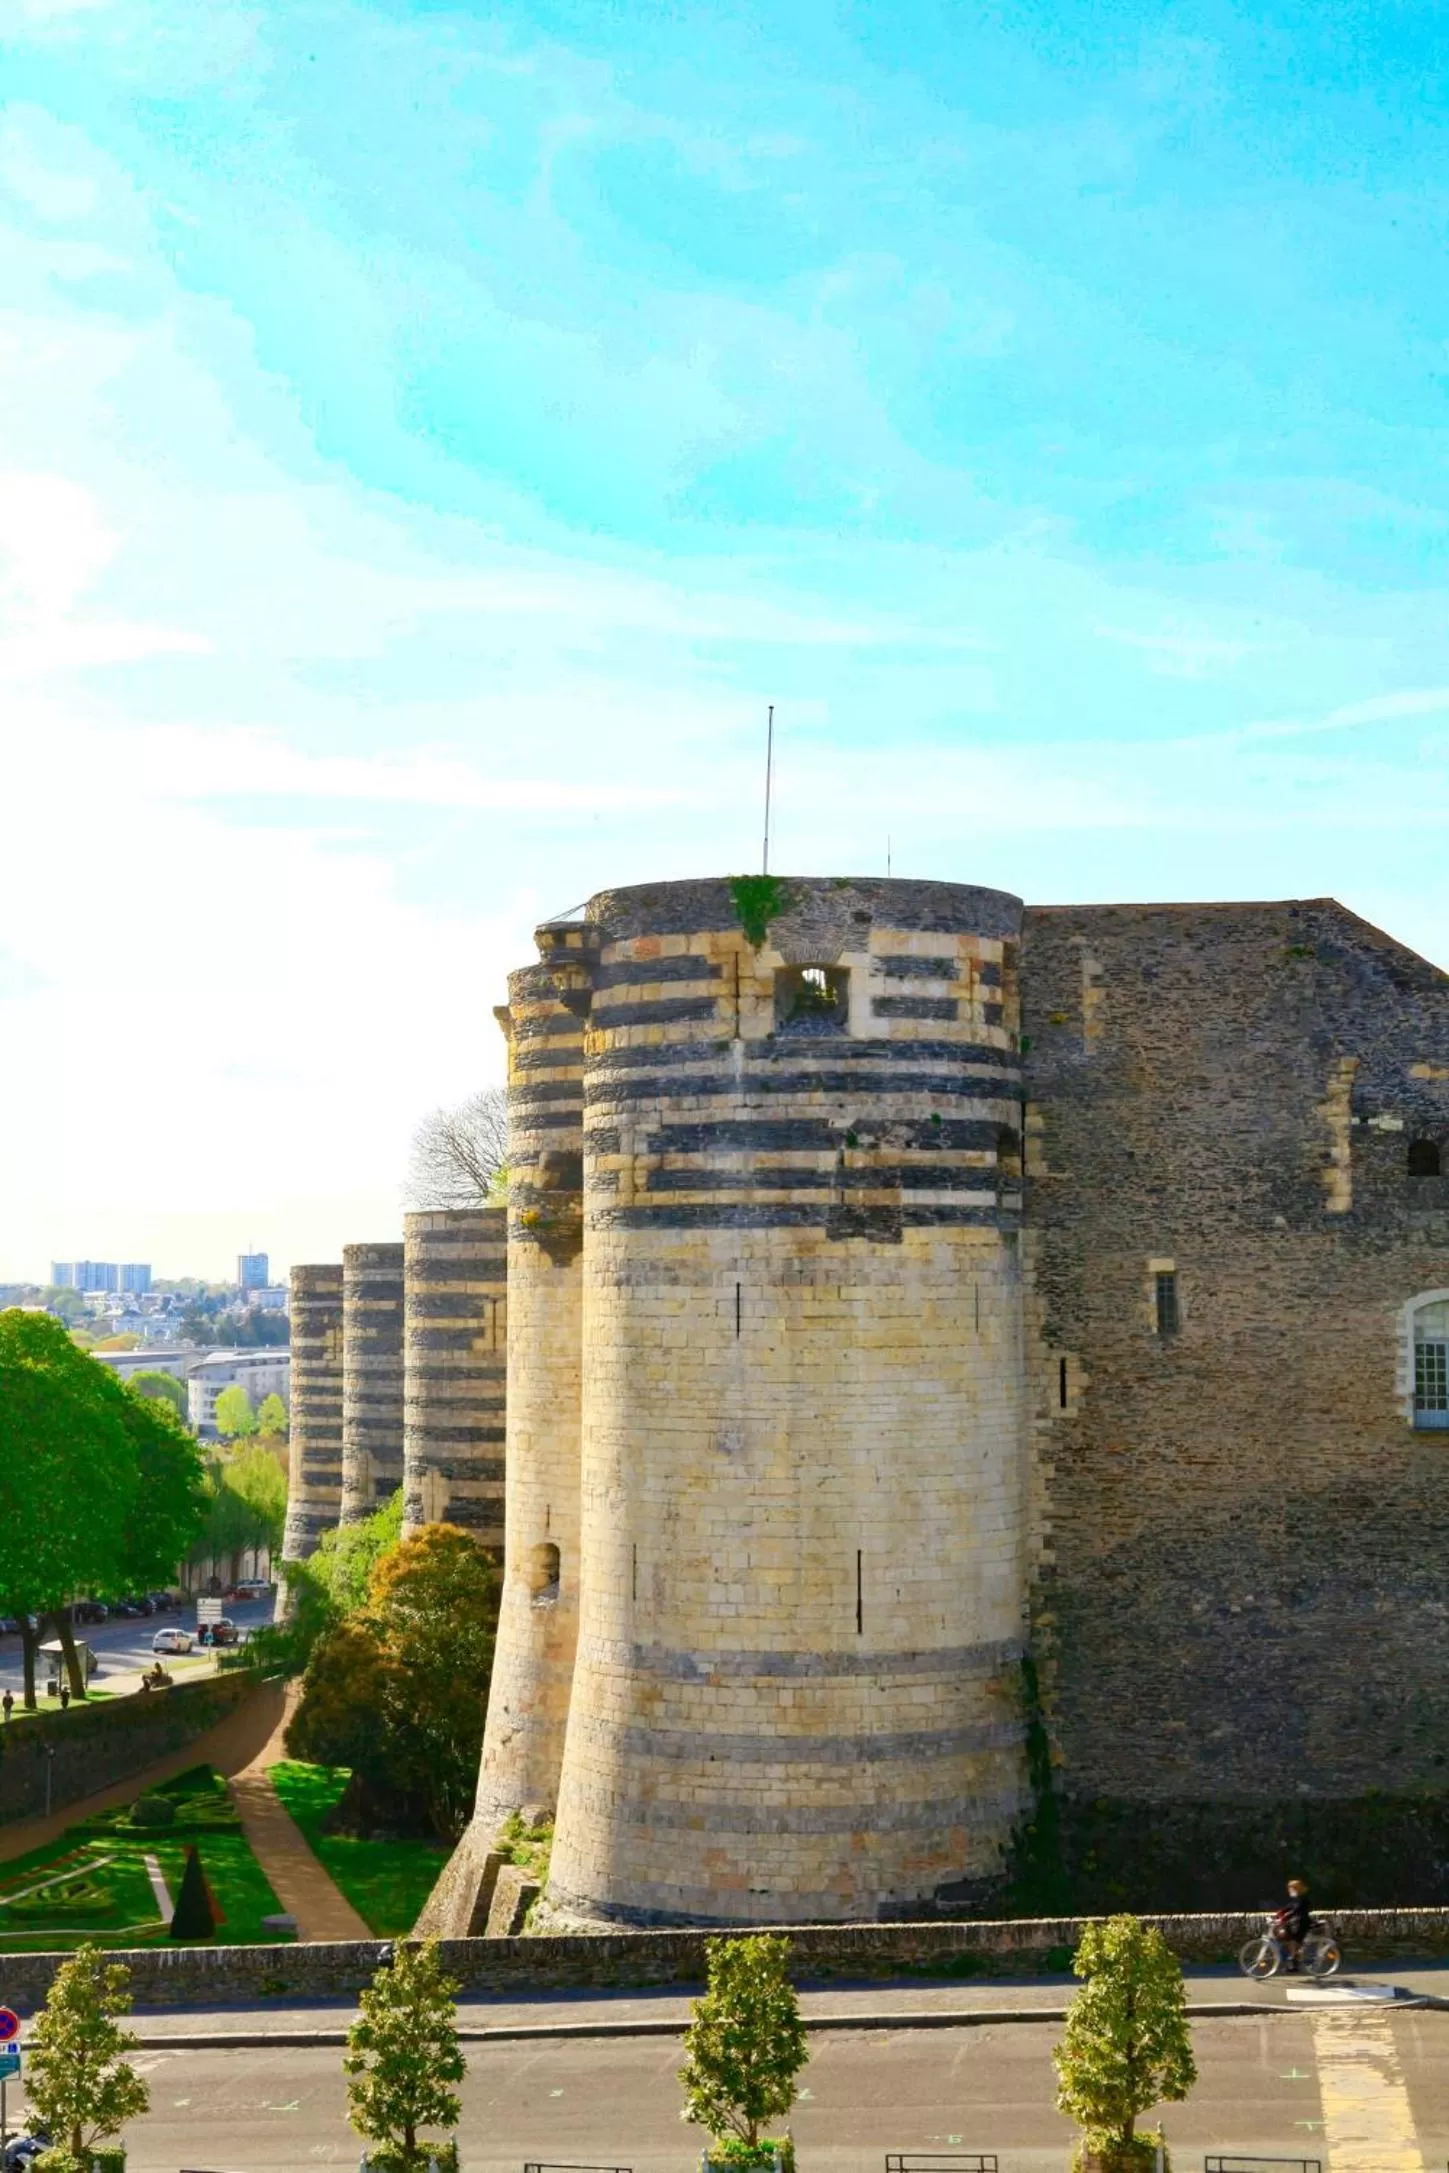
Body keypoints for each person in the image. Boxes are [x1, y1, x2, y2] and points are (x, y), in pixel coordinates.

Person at [1274, 1877, 1312, 1970]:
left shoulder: (1302, 1899)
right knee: (1285, 1936)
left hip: (1302, 1923)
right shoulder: (1296, 1899)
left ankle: (1294, 1960)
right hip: (1296, 1922)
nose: (1289, 1891)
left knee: (1291, 1937)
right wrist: (1279, 1913)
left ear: (1296, 1889)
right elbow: (1289, 1907)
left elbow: (1295, 1910)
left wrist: (1284, 1918)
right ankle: (1293, 1958)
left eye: (1291, 1889)